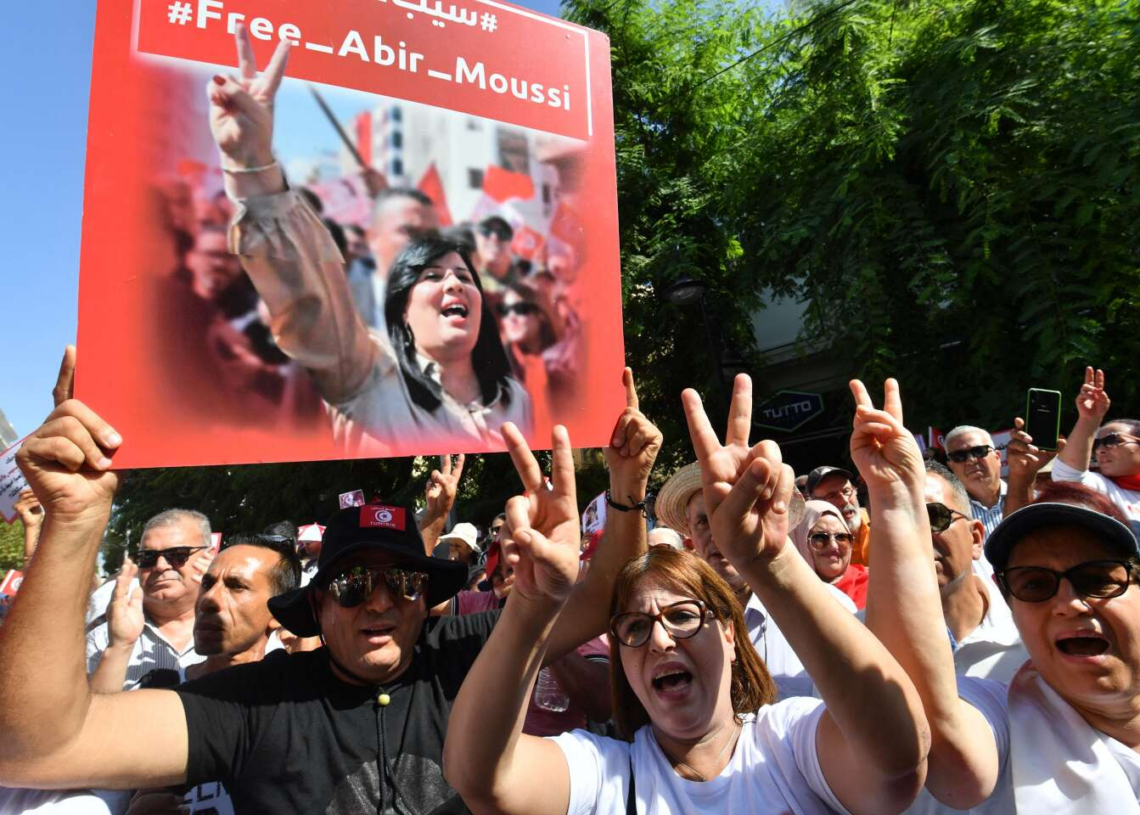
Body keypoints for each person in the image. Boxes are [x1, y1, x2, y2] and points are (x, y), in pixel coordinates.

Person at [0, 354, 655, 813]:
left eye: (404, 581)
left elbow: (605, 600)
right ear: (317, 604)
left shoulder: (465, 651)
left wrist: (626, 491)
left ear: (426, 597)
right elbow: (37, 746)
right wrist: (72, 522)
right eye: (353, 584)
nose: (380, 600)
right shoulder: (254, 704)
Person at [444, 373, 931, 815]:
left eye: (681, 616)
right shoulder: (608, 775)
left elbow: (899, 755)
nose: (660, 641)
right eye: (635, 628)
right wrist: (530, 608)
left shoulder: (789, 744)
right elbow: (481, 781)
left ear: (729, 634)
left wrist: (772, 563)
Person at [203, 30, 528, 454]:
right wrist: (252, 164)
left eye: (464, 276)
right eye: (431, 274)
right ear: (401, 308)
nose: (453, 282)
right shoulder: (366, 370)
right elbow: (309, 297)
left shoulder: (515, 401)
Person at [854, 377, 1140, 814]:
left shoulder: (1018, 642)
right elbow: (940, 728)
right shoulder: (1008, 702)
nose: (1068, 604)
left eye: (1096, 578)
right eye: (1035, 586)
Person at [101, 535, 301, 815]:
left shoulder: (300, 703)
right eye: (207, 584)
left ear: (278, 611)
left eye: (236, 586)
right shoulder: (162, 693)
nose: (209, 599)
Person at [656, 453, 855, 699]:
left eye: (738, 516)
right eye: (705, 521)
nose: (721, 534)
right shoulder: (667, 623)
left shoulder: (832, 610)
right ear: (689, 530)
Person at [86, 508, 215, 690]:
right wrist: (119, 647)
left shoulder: (241, 627)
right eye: (148, 557)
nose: (160, 566)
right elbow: (90, 706)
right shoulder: (104, 637)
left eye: (177, 555)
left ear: (209, 556)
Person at [921, 461, 1026, 683]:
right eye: (891, 523)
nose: (914, 534)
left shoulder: (1034, 636)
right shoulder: (861, 643)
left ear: (975, 538)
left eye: (934, 517)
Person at [1053, 367, 1140, 519]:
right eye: (1096, 444)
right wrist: (1088, 420)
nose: (1100, 450)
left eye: (1112, 440)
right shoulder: (1100, 488)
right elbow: (1067, 478)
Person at [790, 500, 869, 609]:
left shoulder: (873, 585)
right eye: (820, 538)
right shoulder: (782, 593)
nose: (833, 546)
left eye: (841, 537)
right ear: (798, 541)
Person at [944, 425, 1007, 549]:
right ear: (951, 466)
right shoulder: (947, 514)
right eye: (959, 456)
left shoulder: (1032, 498)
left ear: (997, 457)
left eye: (978, 451)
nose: (971, 460)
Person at [806, 465, 871, 567]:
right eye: (832, 496)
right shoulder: (814, 544)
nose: (844, 500)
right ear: (816, 503)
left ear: (855, 491)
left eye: (846, 491)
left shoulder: (881, 521)